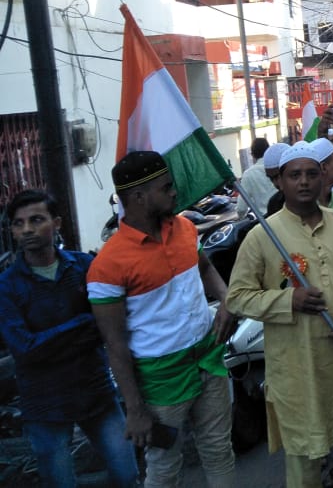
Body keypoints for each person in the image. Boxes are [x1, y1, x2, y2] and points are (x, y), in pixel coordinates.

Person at [226, 141, 333, 487]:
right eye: (294, 175)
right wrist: (287, 301)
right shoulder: (261, 237)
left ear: (323, 176)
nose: (304, 182)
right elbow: (237, 298)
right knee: (304, 464)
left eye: (312, 173)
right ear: (279, 182)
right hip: (298, 371)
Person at [88, 151, 235, 488]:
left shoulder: (185, 228)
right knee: (165, 466)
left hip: (209, 359)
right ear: (138, 197)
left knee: (218, 450)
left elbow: (206, 269)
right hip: (160, 381)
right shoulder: (107, 265)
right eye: (166, 187)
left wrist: (227, 300)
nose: (174, 193)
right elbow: (115, 344)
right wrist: (135, 409)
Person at [0, 190, 138, 488]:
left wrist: (57, 339)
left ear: (57, 222)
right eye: (18, 223)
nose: (26, 230)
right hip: (45, 404)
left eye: (36, 220)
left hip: (96, 392)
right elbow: (25, 348)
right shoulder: (7, 286)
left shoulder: (83, 268)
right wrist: (83, 323)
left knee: (127, 476)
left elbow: (112, 325)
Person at [237, 137, 276, 216]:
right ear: (269, 150)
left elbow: (241, 208)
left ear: (252, 154)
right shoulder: (278, 167)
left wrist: (240, 217)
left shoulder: (248, 174)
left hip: (265, 222)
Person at [262, 141, 290, 217]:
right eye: (272, 179)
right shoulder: (274, 204)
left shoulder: (315, 195)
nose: (277, 184)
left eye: (279, 176)